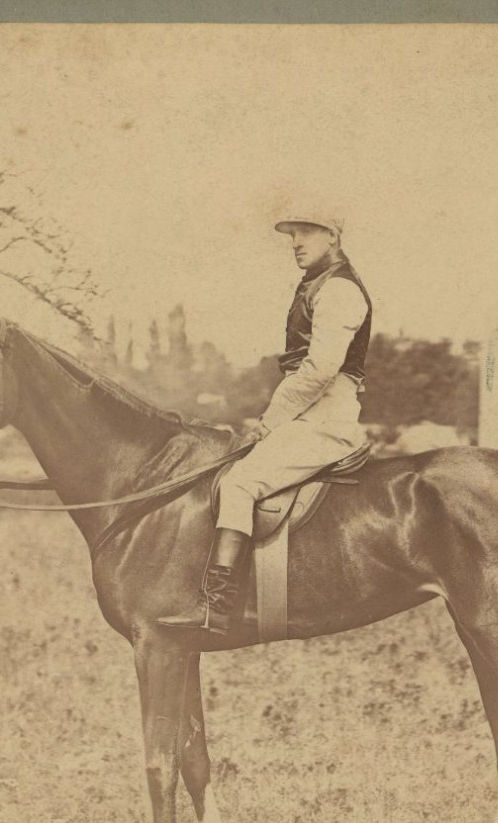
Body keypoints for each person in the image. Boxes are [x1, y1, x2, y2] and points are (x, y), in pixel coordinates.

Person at [159, 215, 372, 635]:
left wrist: (271, 422)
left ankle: (218, 605)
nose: (295, 242)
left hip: (326, 416)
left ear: (332, 235)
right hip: (311, 411)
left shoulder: (340, 289)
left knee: (240, 483)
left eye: (305, 232)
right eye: (292, 235)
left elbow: (320, 369)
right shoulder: (316, 285)